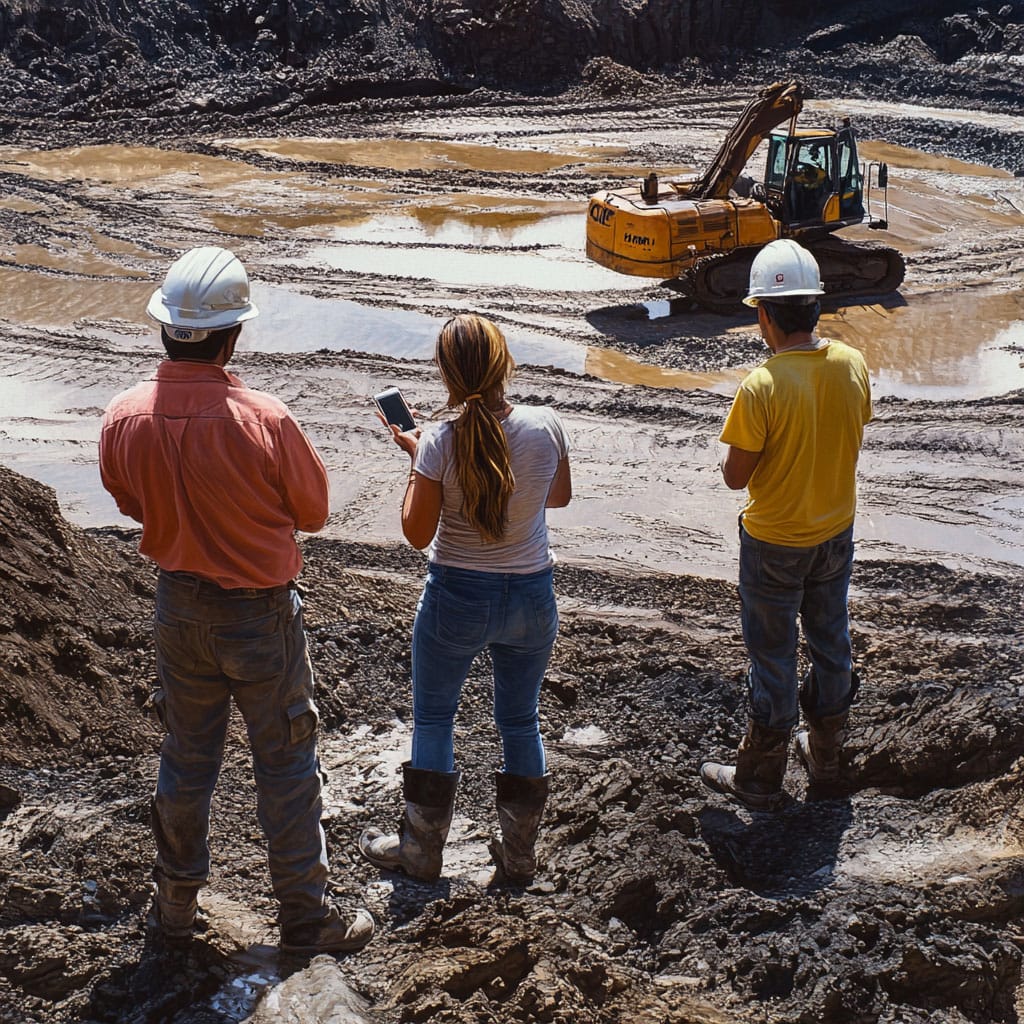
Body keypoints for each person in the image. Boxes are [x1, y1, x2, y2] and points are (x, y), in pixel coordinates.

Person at [98, 246, 374, 954]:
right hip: (259, 616)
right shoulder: (264, 418)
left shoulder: (123, 416)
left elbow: (128, 501)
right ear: (233, 335)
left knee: (187, 757)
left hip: (177, 609)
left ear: (165, 327)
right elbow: (312, 513)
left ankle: (174, 912)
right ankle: (306, 921)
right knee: (284, 762)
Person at [359, 314, 572, 884]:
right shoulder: (546, 424)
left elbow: (415, 533)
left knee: (433, 718)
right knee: (520, 720)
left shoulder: (438, 441)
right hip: (531, 593)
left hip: (457, 596)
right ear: (506, 365)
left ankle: (422, 853)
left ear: (445, 375)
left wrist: (418, 461)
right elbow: (559, 496)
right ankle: (520, 855)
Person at [700, 239, 870, 811]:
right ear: (816, 308)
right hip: (834, 532)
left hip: (773, 541)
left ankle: (760, 777)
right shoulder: (853, 364)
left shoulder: (762, 385)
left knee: (771, 654)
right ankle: (825, 760)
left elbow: (734, 475)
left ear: (765, 314)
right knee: (830, 640)